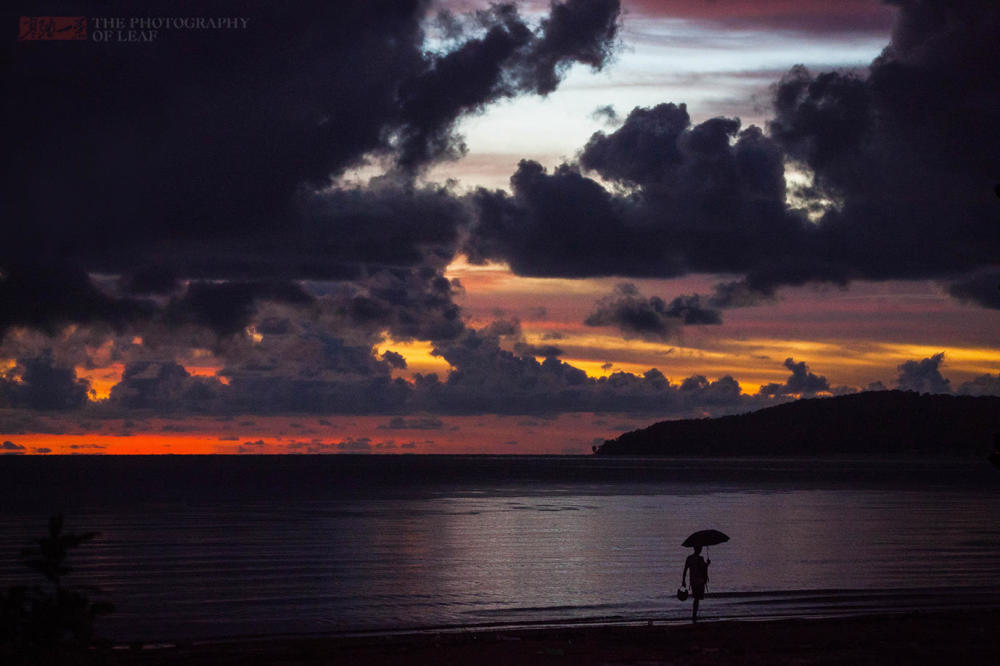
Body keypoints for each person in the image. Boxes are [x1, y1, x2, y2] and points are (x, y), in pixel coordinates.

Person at [681, 545, 710, 622]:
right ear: (699, 549)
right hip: (700, 581)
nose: (700, 549)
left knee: (696, 598)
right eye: (700, 548)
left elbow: (685, 570)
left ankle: (694, 614)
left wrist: (683, 580)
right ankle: (694, 614)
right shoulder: (700, 558)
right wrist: (708, 564)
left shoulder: (689, 558)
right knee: (697, 598)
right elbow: (704, 568)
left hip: (693, 581)